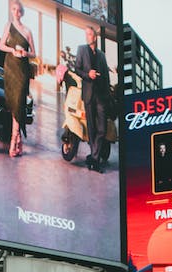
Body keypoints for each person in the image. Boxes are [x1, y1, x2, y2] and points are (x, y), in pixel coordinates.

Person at [0, 0, 36, 157]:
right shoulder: (8, 26)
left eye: (18, 10)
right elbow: (1, 45)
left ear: (22, 12)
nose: (16, 12)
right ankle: (18, 138)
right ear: (11, 11)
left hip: (22, 70)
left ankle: (14, 139)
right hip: (10, 68)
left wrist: (25, 53)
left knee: (19, 103)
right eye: (13, 9)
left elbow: (34, 53)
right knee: (13, 103)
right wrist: (12, 50)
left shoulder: (28, 31)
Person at [75, 25, 110, 173]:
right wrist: (87, 74)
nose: (87, 37)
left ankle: (93, 158)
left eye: (89, 34)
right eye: (86, 34)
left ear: (94, 37)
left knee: (102, 129)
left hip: (101, 96)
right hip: (88, 94)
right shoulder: (81, 50)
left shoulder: (102, 55)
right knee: (92, 128)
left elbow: (107, 77)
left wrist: (108, 94)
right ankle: (95, 160)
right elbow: (77, 69)